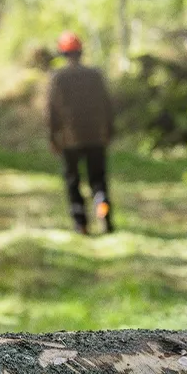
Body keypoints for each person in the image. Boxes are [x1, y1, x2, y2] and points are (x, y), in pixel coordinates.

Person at [46, 30, 115, 234]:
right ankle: (103, 211)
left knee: (73, 181)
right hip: (96, 137)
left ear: (63, 54)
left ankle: (81, 224)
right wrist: (109, 131)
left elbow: (51, 111)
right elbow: (107, 106)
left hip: (70, 140)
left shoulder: (58, 78)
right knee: (98, 180)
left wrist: (53, 137)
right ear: (81, 52)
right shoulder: (95, 76)